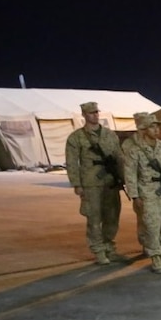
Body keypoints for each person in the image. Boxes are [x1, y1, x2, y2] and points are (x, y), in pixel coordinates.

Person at [65, 101, 128, 265]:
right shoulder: (76, 137)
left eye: (96, 112)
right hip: (91, 183)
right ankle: (98, 250)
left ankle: (109, 247)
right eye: (91, 113)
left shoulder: (109, 135)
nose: (95, 115)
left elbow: (119, 157)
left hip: (111, 182)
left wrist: (124, 179)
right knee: (94, 218)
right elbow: (71, 162)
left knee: (112, 216)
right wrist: (77, 184)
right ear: (84, 115)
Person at [123, 112, 161, 273]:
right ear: (144, 129)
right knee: (152, 225)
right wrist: (135, 195)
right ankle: (155, 257)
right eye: (152, 127)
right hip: (147, 192)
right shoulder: (135, 150)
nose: (156, 130)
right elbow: (130, 174)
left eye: (157, 126)